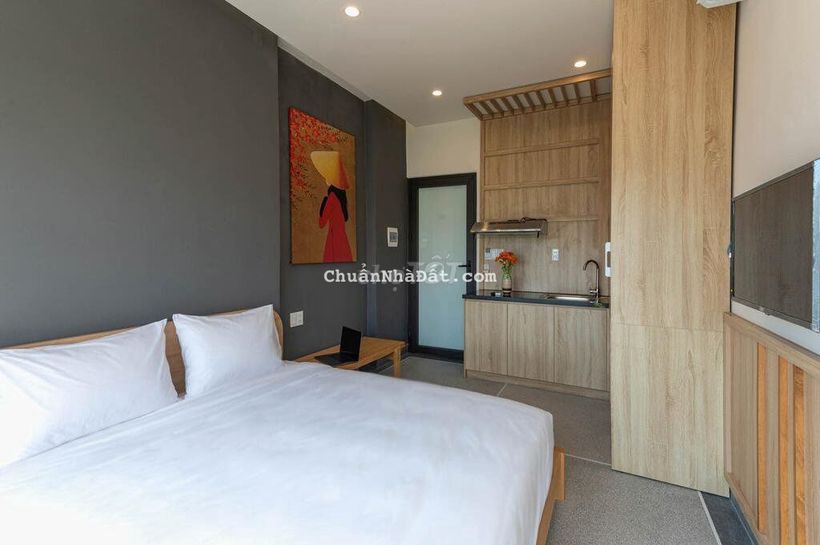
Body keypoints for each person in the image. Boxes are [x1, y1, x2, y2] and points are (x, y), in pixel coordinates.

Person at [311, 151, 353, 262]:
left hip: (334, 240)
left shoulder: (332, 198)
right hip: (343, 240)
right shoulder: (341, 198)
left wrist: (323, 203)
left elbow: (321, 223)